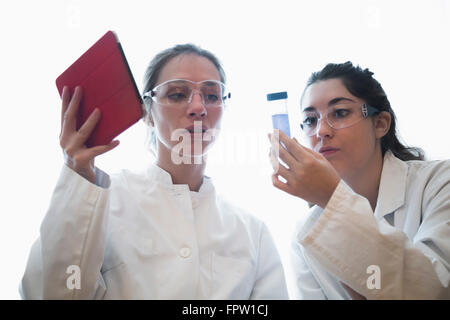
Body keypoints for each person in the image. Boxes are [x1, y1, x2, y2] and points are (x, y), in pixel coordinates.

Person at [20, 43, 289, 299]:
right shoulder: (101, 205)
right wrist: (77, 174)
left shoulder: (253, 233)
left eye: (211, 95)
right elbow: (50, 294)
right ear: (147, 113)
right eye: (177, 94)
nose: (198, 108)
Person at [268, 61, 450, 299]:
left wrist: (332, 199)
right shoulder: (306, 235)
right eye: (311, 120)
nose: (322, 130)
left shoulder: (439, 184)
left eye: (340, 113)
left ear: (380, 124)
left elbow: (433, 290)